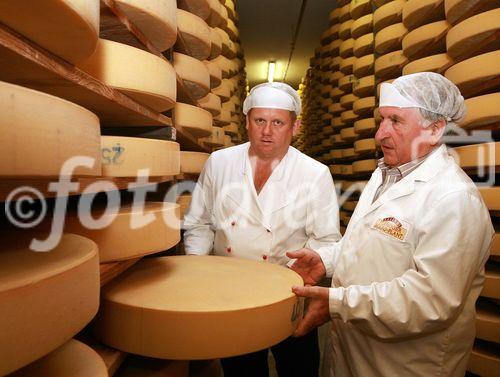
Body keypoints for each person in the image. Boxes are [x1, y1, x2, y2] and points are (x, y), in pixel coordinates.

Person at [287, 72, 494, 377]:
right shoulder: (386, 174)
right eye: (382, 120)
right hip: (353, 351)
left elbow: (430, 300)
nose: (380, 134)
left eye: (395, 121)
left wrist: (339, 303)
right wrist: (326, 260)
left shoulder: (454, 199)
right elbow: (363, 242)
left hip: (405, 364)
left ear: (435, 129)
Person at [183, 82, 342, 377]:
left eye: (278, 122)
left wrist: (311, 266)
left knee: (298, 369)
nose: (267, 131)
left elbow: (328, 240)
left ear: (295, 126)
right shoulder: (219, 163)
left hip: (290, 294)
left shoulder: (314, 173)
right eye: (260, 121)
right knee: (241, 370)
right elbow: (199, 221)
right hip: (231, 296)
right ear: (247, 122)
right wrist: (196, 266)